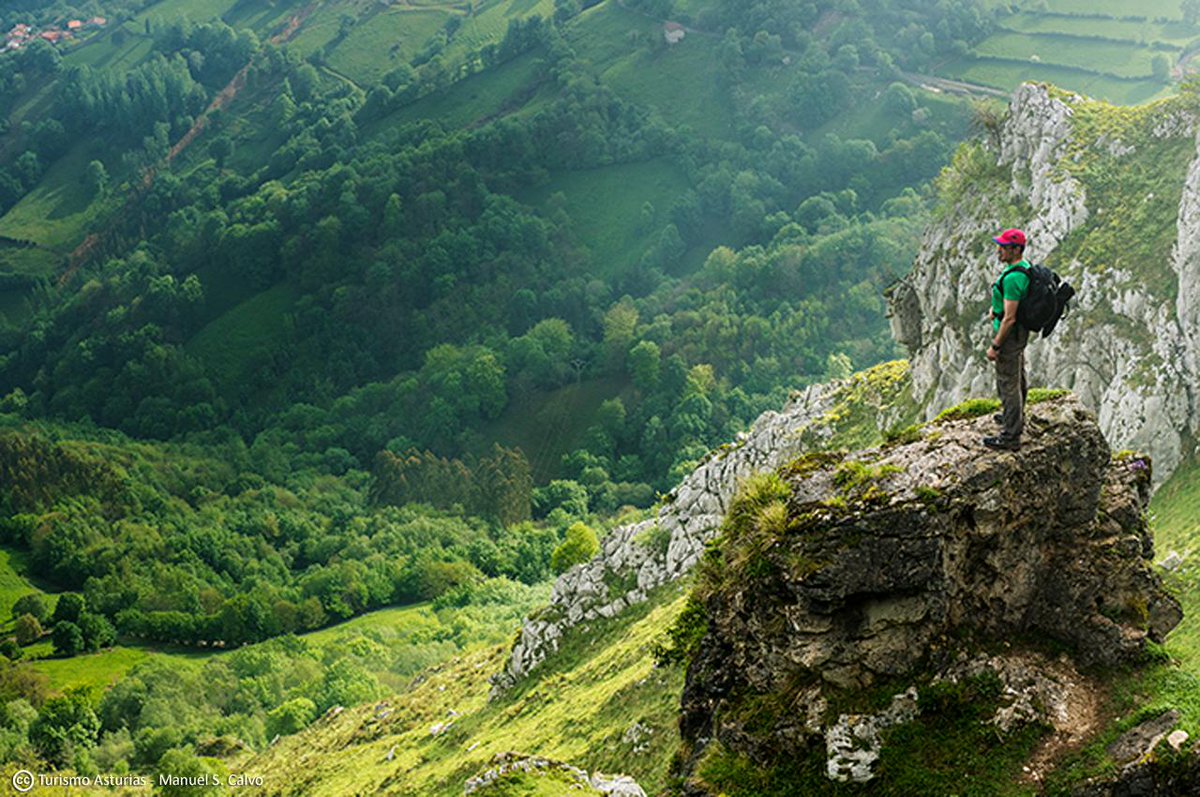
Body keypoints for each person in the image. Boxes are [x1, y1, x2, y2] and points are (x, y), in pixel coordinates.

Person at [983, 228, 1030, 451]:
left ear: (1016, 249)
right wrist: (996, 310)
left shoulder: (1013, 278)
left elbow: (1010, 318)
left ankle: (1011, 436)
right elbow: (1012, 308)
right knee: (1018, 376)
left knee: (1007, 383)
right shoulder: (1024, 268)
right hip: (1020, 332)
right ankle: (1015, 417)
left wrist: (995, 345)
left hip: (1010, 336)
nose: (998, 250)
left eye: (1003, 247)